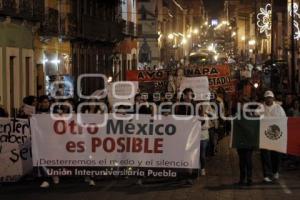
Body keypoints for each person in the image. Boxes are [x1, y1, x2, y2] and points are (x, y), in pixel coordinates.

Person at [258, 90, 286, 183]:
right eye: (267, 98)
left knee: (276, 154)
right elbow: (255, 117)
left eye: (270, 97)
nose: (269, 99)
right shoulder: (261, 107)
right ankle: (266, 174)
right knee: (265, 155)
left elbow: (284, 120)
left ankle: (275, 171)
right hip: (264, 136)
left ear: (273, 98)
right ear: (265, 99)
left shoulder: (279, 108)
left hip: (275, 135)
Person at [236, 97, 254, 186]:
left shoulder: (251, 114)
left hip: (249, 141)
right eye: (242, 104)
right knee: (242, 161)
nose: (243, 105)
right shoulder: (238, 114)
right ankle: (242, 178)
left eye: (244, 104)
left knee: (248, 160)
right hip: (240, 141)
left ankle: (249, 178)